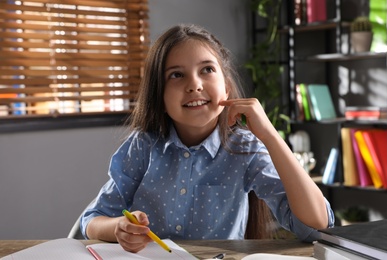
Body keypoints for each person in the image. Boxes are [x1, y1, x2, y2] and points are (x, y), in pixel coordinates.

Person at [80, 24, 334, 253]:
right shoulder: (143, 145)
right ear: (159, 97)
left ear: (227, 88)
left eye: (207, 70)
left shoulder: (245, 149)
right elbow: (92, 219)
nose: (194, 85)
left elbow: (314, 226)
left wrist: (270, 135)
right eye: (176, 75)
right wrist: (118, 228)